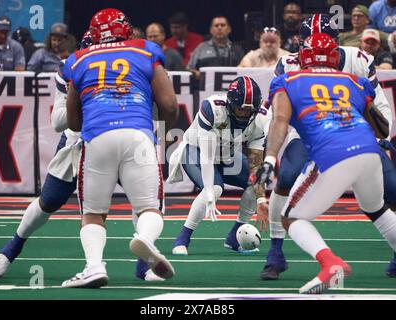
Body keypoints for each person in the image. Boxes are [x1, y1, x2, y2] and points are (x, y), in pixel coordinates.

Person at [0, 31, 166, 283]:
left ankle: (141, 265)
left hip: (124, 137)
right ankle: (14, 245)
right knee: (49, 201)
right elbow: (60, 121)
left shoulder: (136, 64)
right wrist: (87, 97)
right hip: (81, 143)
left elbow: (158, 106)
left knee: (144, 203)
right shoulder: (76, 66)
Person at [255, 32, 396, 294]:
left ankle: (330, 263)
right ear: (335, 57)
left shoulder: (288, 80)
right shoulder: (354, 80)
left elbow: (280, 122)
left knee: (291, 217)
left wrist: (271, 158)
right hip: (368, 150)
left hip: (331, 151)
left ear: (302, 56)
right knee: (376, 210)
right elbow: (382, 128)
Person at [62, 8, 179, 288]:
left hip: (98, 137)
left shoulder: (78, 59)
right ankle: (145, 238)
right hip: (137, 133)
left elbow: (73, 120)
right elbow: (170, 104)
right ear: (126, 30)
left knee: (93, 213)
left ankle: (93, 267)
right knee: (149, 208)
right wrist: (160, 132)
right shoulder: (145, 50)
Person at [168, 76, 270, 256]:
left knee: (255, 184)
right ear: (230, 104)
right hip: (196, 151)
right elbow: (207, 157)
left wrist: (261, 200)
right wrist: (208, 192)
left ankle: (233, 238)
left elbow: (256, 164)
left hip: (226, 156)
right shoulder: (213, 109)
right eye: (239, 110)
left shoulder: (261, 119)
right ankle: (182, 238)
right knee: (215, 188)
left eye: (248, 111)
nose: (243, 115)